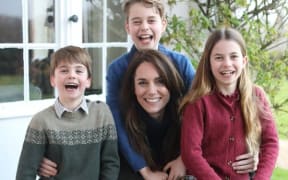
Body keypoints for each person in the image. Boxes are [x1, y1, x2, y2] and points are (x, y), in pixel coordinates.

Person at [37, 1, 259, 179]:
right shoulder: (117, 70)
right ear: (127, 27)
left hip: (177, 151)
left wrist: (186, 158)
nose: (144, 27)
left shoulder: (180, 63)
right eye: (136, 21)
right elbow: (113, 124)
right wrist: (143, 169)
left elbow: (206, 112)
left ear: (163, 24)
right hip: (135, 154)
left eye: (151, 20)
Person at [180, 27, 279, 180]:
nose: (227, 64)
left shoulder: (256, 96)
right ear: (208, 62)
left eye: (233, 56)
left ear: (244, 61)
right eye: (219, 57)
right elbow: (190, 153)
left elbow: (270, 143)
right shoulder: (198, 103)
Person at [16, 45, 119, 180]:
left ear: (88, 80)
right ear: (53, 79)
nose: (72, 75)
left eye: (79, 71)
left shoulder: (102, 113)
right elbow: (25, 172)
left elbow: (111, 164)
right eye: (64, 70)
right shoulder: (41, 121)